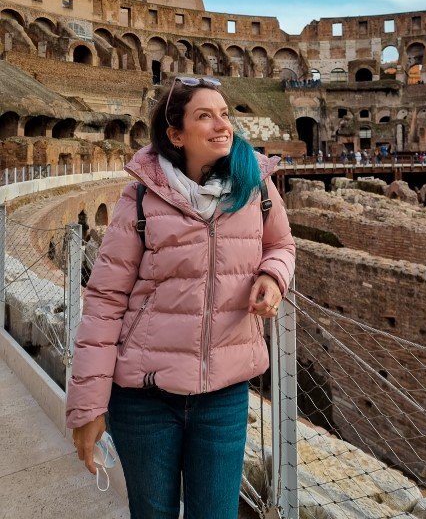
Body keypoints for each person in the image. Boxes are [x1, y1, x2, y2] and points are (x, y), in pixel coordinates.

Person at [66, 76, 296, 519]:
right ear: (175, 134)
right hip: (144, 396)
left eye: (225, 114)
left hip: (224, 395)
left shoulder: (257, 188)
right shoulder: (138, 197)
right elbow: (105, 301)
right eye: (205, 116)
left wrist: (272, 276)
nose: (222, 125)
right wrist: (88, 406)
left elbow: (282, 245)